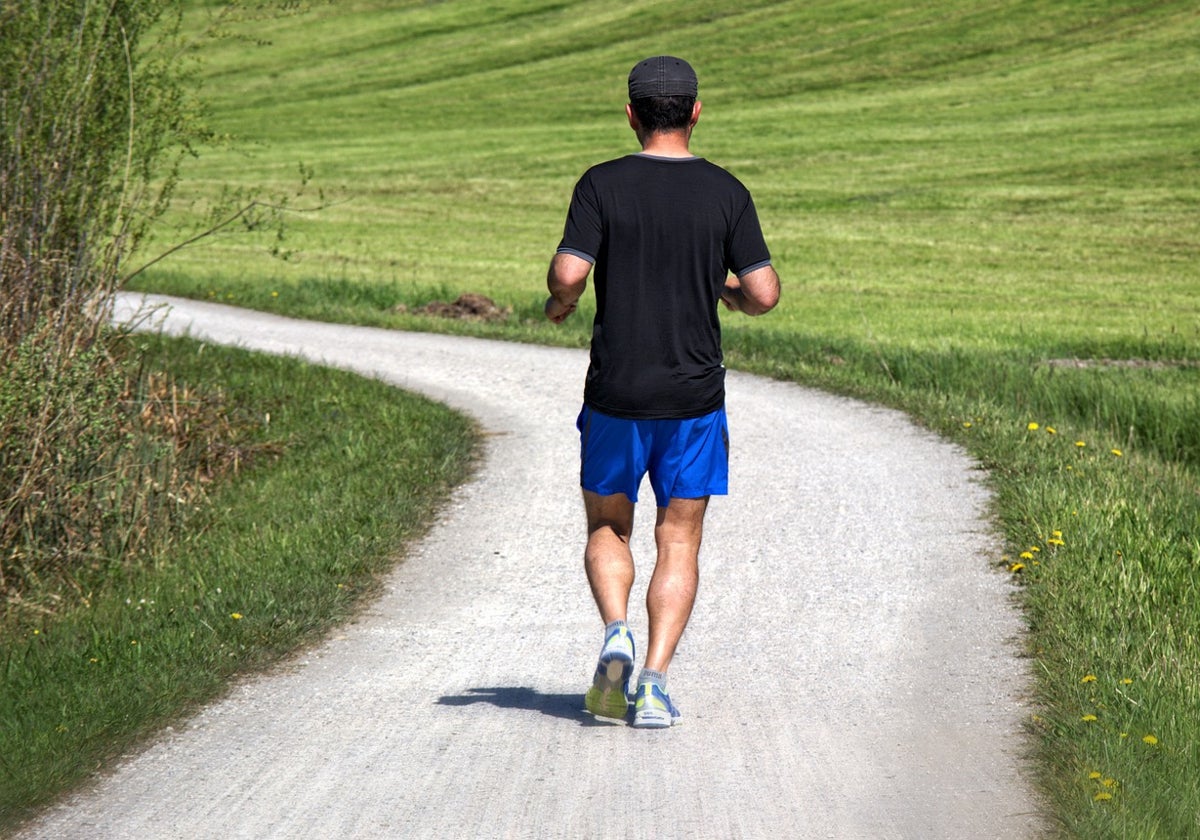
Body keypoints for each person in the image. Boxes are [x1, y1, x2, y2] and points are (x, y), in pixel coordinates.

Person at [544, 55, 780, 729]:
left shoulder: (601, 184)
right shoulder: (725, 192)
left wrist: (563, 301)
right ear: (696, 113)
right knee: (679, 539)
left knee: (607, 527)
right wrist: (729, 292)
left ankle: (614, 629)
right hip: (693, 398)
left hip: (616, 391)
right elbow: (763, 292)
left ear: (631, 114)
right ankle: (651, 682)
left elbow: (568, 271)